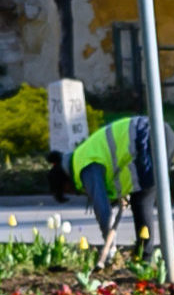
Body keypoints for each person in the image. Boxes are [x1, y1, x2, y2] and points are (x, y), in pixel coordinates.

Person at [54, 109, 162, 255]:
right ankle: (144, 259)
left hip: (149, 139)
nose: (78, 193)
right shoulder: (81, 156)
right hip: (156, 133)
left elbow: (103, 209)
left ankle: (146, 259)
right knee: (141, 200)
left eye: (69, 191)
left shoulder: (85, 167)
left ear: (65, 181)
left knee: (141, 200)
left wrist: (110, 249)